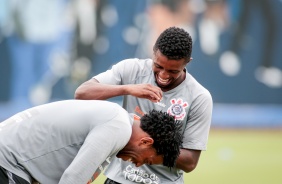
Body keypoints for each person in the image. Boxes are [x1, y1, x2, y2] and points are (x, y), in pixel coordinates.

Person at [75, 26, 213, 184]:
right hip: (119, 179)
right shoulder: (132, 70)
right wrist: (128, 89)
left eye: (173, 71)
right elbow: (82, 93)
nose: (163, 75)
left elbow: (190, 162)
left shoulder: (199, 97)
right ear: (154, 51)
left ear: (187, 62)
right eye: (159, 66)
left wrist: (147, 146)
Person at [0, 100, 183, 184]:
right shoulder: (117, 127)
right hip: (8, 162)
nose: (137, 164)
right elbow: (72, 180)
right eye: (146, 161)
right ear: (145, 142)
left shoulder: (116, 120)